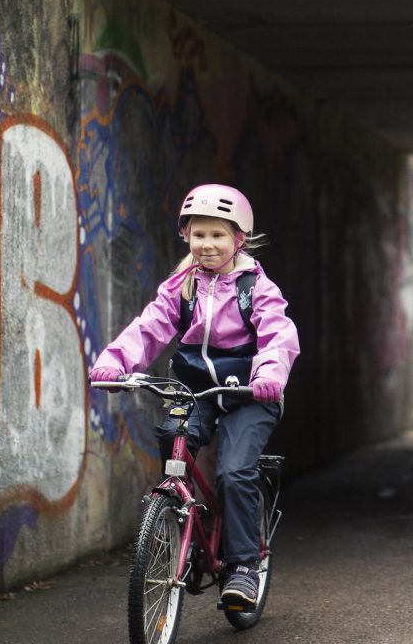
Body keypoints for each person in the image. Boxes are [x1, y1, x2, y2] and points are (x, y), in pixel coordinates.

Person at [88, 183, 299, 608]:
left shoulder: (255, 287)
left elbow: (278, 335)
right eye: (198, 234)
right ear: (186, 235)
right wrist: (116, 362)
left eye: (218, 235)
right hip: (196, 390)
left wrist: (270, 374)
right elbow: (149, 328)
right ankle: (186, 515)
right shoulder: (181, 287)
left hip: (248, 393)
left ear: (238, 239)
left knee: (233, 473)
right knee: (171, 437)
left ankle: (242, 566)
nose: (207, 244)